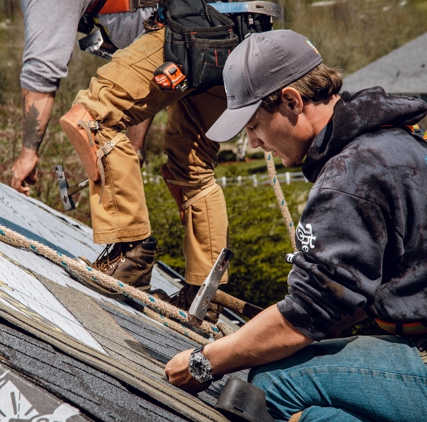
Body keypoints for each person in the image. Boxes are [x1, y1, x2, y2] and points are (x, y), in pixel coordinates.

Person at [165, 29, 427, 422]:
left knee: (271, 384)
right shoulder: (394, 142)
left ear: (291, 101)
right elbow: (346, 293)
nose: (253, 143)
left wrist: (206, 360)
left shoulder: (350, 176)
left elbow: (308, 314)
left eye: (253, 125)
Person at [12, 0, 230, 322]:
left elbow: (42, 69)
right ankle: (204, 295)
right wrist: (135, 145)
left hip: (187, 31)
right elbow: (140, 81)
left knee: (91, 114)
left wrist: (28, 153)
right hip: (235, 34)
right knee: (193, 167)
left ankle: (130, 256)